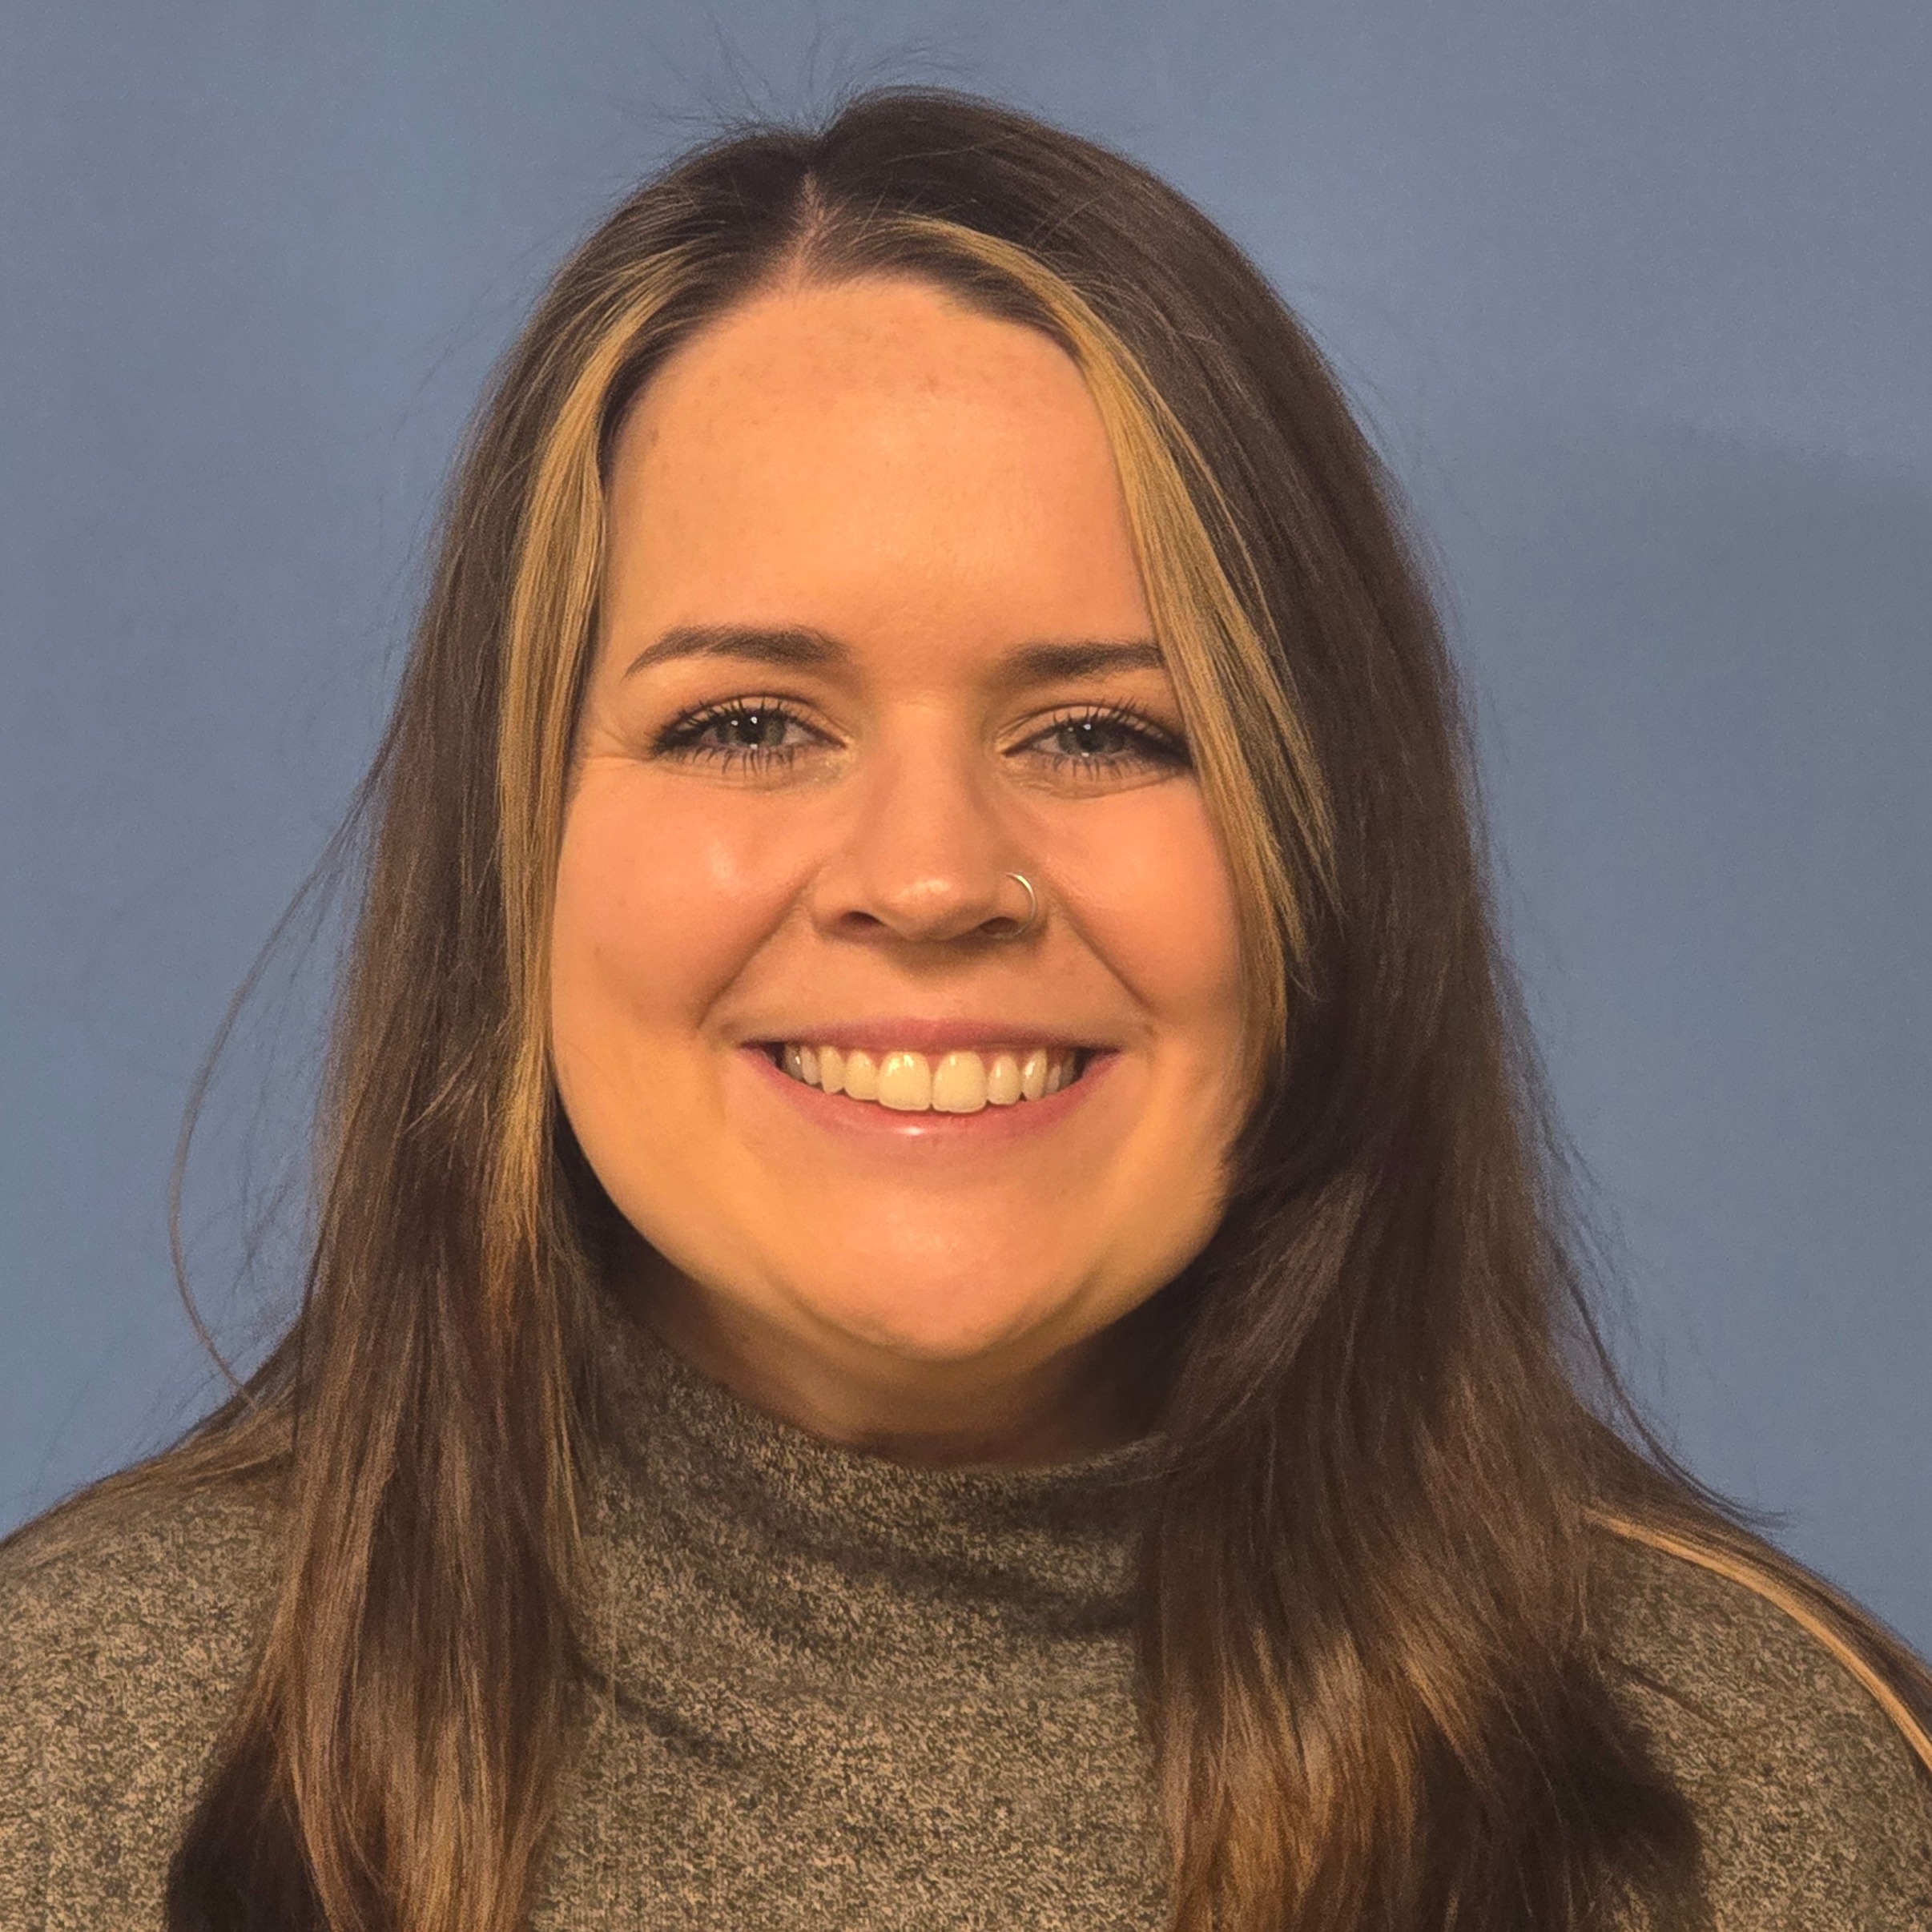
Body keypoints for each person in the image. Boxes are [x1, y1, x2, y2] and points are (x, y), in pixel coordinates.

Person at [2, 89, 1927, 1932]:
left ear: (1329, 866)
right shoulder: (74, 1751)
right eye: (747, 722)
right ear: (517, 859)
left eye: (1103, 733)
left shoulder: (1757, 1797)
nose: (928, 879)